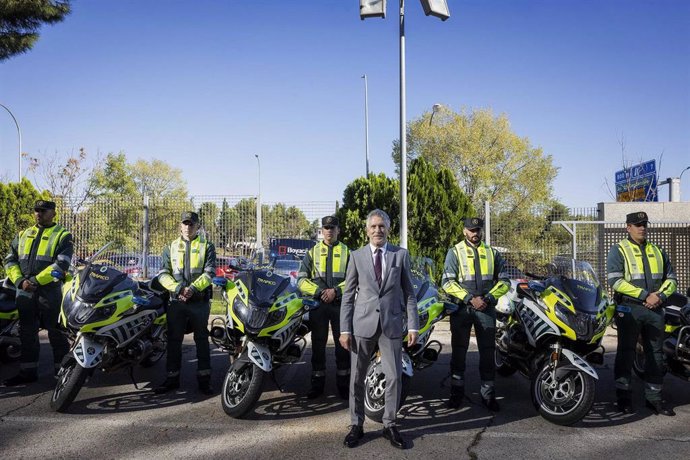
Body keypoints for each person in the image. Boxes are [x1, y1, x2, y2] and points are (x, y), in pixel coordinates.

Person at [339, 209, 419, 450]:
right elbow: (348, 295)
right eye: (373, 226)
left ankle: (390, 424)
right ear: (367, 231)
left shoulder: (400, 256)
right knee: (357, 377)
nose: (377, 230)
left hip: (391, 325)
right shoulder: (356, 256)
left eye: (381, 226)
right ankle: (356, 424)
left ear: (388, 229)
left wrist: (413, 324)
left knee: (394, 376)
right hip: (362, 324)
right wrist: (345, 329)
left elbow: (409, 294)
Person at [608, 211, 677, 416]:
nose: (642, 227)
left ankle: (654, 399)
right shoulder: (619, 249)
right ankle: (623, 399)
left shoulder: (658, 250)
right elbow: (615, 281)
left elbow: (672, 279)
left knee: (656, 355)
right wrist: (645, 295)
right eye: (637, 224)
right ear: (628, 227)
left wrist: (660, 296)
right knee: (626, 354)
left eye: (644, 224)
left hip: (655, 309)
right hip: (630, 309)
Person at [441, 217, 509, 411]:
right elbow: (447, 283)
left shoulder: (493, 253)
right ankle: (456, 393)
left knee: (488, 352)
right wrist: (470, 298)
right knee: (459, 351)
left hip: (486, 308)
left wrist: (486, 299)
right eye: (471, 230)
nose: (475, 233)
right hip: (463, 308)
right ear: (464, 231)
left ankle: (488, 395)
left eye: (477, 229)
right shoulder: (455, 252)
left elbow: (505, 282)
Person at [3, 200, 73, 386]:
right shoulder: (23, 234)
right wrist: (20, 281)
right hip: (24, 291)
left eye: (43, 210)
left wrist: (34, 281)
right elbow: (10, 260)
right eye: (36, 210)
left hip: (50, 290)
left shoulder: (62, 235)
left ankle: (62, 373)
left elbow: (61, 265)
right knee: (27, 332)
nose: (39, 213)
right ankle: (27, 372)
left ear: (53, 213)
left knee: (56, 332)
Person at [154, 211, 216, 395]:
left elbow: (210, 273)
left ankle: (204, 380)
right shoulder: (170, 247)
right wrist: (179, 289)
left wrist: (192, 290)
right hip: (176, 301)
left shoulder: (207, 246)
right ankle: (172, 379)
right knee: (173, 341)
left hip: (199, 302)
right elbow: (163, 274)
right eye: (185, 223)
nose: (188, 227)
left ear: (198, 226)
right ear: (180, 226)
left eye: (191, 224)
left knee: (202, 340)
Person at [297, 215, 351, 399]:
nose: (329, 231)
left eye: (332, 227)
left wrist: (335, 291)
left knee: (343, 345)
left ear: (338, 230)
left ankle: (343, 385)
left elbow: (354, 281)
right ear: (322, 230)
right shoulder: (312, 252)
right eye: (326, 228)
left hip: (339, 305)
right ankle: (317, 385)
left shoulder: (347, 252)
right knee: (318, 346)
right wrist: (320, 292)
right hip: (318, 305)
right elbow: (301, 280)